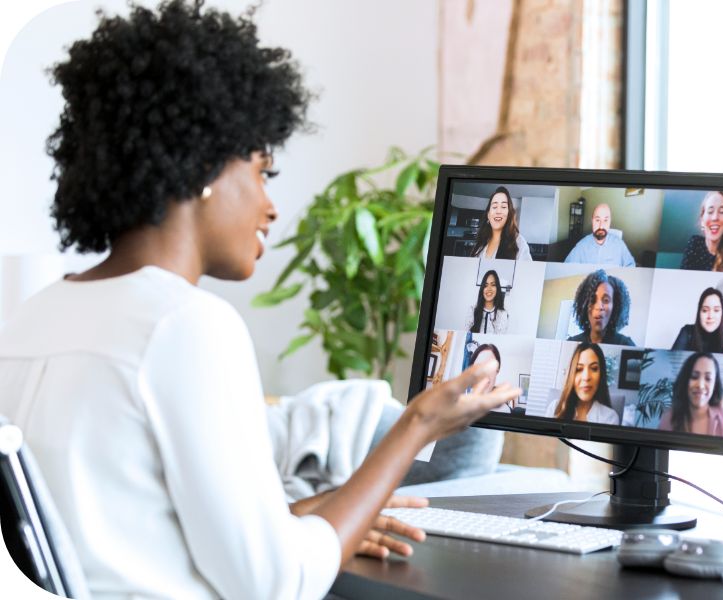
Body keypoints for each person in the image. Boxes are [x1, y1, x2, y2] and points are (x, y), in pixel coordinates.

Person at [0, 3, 518, 598]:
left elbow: (128, 538)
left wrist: (303, 520)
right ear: (201, 167)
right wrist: (419, 422)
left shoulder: (30, 319)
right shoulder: (185, 326)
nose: (271, 205)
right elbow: (277, 585)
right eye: (263, 171)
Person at [658, 352, 723, 438]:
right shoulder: (668, 419)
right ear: (685, 381)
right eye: (694, 377)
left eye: (708, 378)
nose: (700, 385)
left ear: (715, 385)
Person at [545, 342, 620, 425]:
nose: (586, 377)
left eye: (594, 368)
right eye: (579, 369)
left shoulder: (610, 417)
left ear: (601, 375)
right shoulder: (554, 408)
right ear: (571, 374)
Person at [679, 191, 723, 273]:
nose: (715, 217)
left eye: (722, 212)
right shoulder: (695, 243)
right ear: (702, 220)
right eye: (710, 212)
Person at [567, 269, 636, 346]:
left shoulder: (626, 345)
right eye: (593, 300)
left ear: (615, 306)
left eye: (606, 300)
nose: (599, 307)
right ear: (584, 305)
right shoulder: (571, 343)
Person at [469, 186, 533, 260]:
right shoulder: (481, 242)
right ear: (488, 215)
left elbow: (527, 270)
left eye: (503, 207)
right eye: (495, 206)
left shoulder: (518, 242)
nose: (498, 211)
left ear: (509, 214)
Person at [564, 203, 636, 266]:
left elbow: (630, 266)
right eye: (597, 220)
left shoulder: (620, 245)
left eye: (605, 220)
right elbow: (567, 268)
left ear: (610, 222)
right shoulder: (581, 246)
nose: (601, 226)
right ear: (592, 221)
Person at [671, 287, 723, 355]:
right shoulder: (687, 332)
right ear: (699, 313)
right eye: (705, 310)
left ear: (722, 313)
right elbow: (672, 361)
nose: (710, 316)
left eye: (716, 310)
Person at [465, 270, 509, 334]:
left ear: (497, 288)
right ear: (482, 289)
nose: (489, 288)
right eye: (485, 285)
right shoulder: (472, 310)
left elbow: (500, 339)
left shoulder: (502, 314)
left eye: (493, 285)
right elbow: (466, 336)